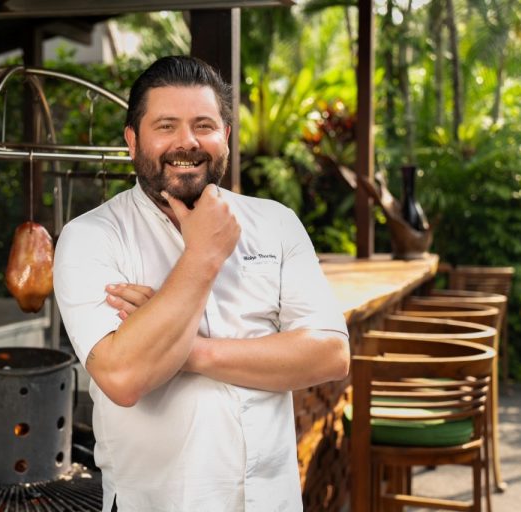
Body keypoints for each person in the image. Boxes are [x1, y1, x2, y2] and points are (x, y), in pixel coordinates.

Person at [54, 55, 350, 512]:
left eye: (204, 125)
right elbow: (123, 377)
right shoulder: (90, 237)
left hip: (271, 502)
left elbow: (331, 354)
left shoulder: (275, 222)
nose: (187, 141)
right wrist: (202, 256)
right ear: (132, 140)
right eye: (166, 126)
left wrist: (184, 351)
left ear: (225, 136)